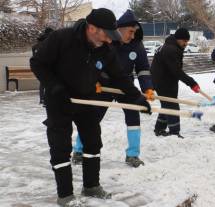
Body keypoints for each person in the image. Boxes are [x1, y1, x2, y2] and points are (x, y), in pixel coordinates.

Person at [30, 8, 151, 206]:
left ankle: (91, 186)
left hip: (86, 97)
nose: (109, 40)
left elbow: (120, 77)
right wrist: (55, 86)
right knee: (60, 146)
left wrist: (136, 98)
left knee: (93, 141)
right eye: (106, 34)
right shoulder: (63, 38)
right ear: (92, 28)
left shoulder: (105, 48)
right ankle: (66, 196)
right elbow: (37, 63)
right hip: (59, 99)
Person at [71, 10, 153, 168]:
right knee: (92, 119)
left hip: (126, 85)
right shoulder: (107, 42)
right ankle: (79, 150)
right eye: (130, 31)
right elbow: (93, 64)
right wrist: (93, 81)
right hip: (104, 85)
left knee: (133, 119)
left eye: (135, 32)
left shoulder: (137, 45)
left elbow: (143, 69)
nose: (133, 35)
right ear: (119, 29)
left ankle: (133, 155)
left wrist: (147, 88)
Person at [150, 28, 200, 138]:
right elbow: (176, 71)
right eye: (184, 41)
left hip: (162, 79)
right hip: (164, 81)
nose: (186, 44)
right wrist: (191, 83)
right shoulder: (171, 50)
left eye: (187, 41)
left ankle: (159, 129)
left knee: (166, 104)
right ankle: (174, 132)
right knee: (172, 106)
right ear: (177, 39)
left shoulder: (169, 46)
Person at [32, 27, 54, 106]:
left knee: (42, 84)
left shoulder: (35, 46)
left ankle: (42, 99)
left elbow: (34, 57)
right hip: (49, 66)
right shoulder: (49, 42)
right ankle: (47, 99)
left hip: (39, 67)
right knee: (49, 84)